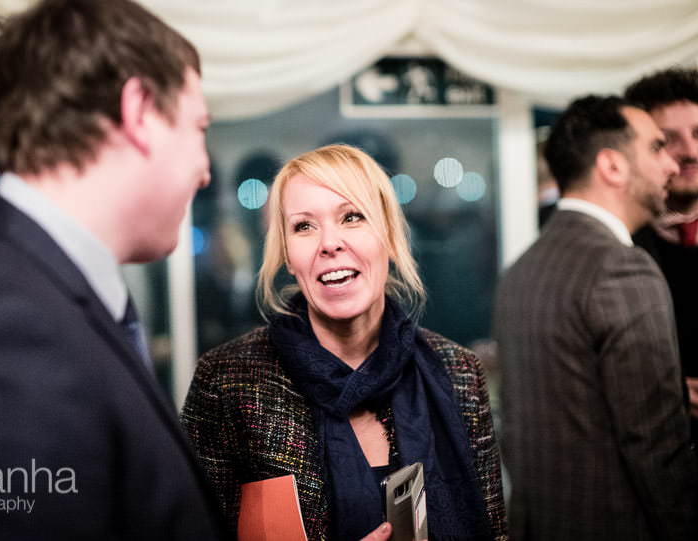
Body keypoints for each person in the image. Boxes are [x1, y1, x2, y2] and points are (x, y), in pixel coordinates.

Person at [0, 0, 229, 538]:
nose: (204, 171)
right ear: (139, 111)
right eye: (198, 127)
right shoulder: (2, 327)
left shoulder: (21, 283)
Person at [182, 144, 507, 541]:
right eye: (304, 226)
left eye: (352, 217)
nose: (329, 243)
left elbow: (494, 531)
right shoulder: (229, 382)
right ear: (287, 255)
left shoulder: (459, 373)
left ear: (389, 236)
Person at [494, 95, 697, 540]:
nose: (672, 165)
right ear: (612, 166)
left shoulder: (521, 270)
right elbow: (656, 443)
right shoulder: (622, 267)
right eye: (656, 147)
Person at [625, 67, 698, 541]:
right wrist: (666, 395)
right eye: (669, 140)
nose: (690, 151)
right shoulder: (616, 253)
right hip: (648, 501)